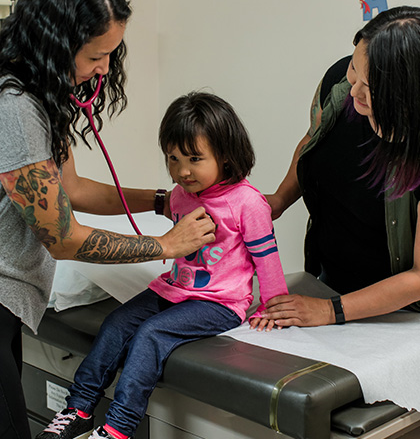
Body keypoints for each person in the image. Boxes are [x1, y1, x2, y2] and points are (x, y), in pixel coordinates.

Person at [0, 0, 216, 439]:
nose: (104, 69)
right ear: (56, 44)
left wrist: (162, 200)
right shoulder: (15, 109)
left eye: (111, 55)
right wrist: (168, 244)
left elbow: (72, 192)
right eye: (96, 55)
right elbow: (62, 237)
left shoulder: (41, 97)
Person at [36, 91, 288, 439]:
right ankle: (77, 409)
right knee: (116, 324)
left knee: (150, 335)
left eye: (194, 159)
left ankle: (117, 428)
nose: (182, 171)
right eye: (173, 158)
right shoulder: (180, 196)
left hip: (219, 303)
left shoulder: (248, 203)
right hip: (175, 289)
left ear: (226, 155)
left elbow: (267, 259)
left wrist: (273, 305)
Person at [256, 6, 420, 330]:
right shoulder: (339, 84)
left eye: (368, 86)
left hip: (401, 316)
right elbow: (310, 141)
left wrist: (329, 311)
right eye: (354, 68)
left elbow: (418, 277)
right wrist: (278, 200)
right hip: (329, 280)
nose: (354, 88)